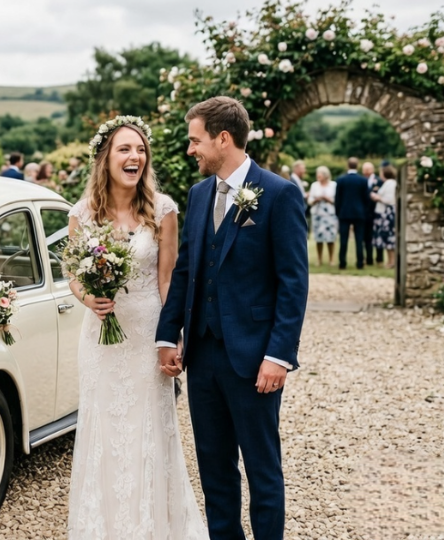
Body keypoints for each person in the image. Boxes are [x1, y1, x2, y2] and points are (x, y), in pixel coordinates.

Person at [156, 96, 308, 540]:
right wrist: (168, 337)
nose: (191, 150)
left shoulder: (280, 194)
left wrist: (278, 357)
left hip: (254, 359)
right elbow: (185, 271)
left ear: (223, 139)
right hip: (202, 358)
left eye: (195, 140)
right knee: (215, 470)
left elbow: (293, 284)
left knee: (263, 470)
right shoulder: (199, 194)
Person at [66, 116, 208, 539]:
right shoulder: (82, 214)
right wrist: (88, 297)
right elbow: (73, 274)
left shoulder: (162, 210)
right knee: (104, 429)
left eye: (141, 149)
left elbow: (168, 280)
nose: (135, 157)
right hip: (101, 339)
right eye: (125, 149)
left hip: (147, 332)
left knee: (149, 428)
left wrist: (173, 335)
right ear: (105, 158)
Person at [334, 157, 373, 270]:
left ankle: (342, 263)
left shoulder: (341, 179)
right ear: (358, 166)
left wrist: (338, 212)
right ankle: (360, 263)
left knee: (343, 239)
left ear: (348, 165)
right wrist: (365, 212)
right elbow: (367, 199)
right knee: (359, 240)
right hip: (359, 213)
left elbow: (338, 198)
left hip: (344, 213)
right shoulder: (363, 180)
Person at [308, 166, 338, 266]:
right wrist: (316, 199)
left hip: (330, 214)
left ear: (325, 175)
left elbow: (337, 200)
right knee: (318, 238)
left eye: (319, 174)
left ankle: (331, 259)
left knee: (330, 238)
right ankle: (319, 259)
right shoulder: (314, 185)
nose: (318, 176)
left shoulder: (333, 185)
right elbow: (310, 201)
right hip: (317, 214)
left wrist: (327, 198)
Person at [371, 164, 398, 268]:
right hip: (384, 213)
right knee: (386, 239)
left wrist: (377, 197)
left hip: (387, 214)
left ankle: (392, 261)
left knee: (389, 238)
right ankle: (390, 261)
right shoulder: (387, 183)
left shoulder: (390, 184)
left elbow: (390, 200)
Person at [363, 161, 383, 265]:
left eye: (368, 169)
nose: (366, 172)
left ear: (372, 170)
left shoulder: (379, 181)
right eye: (364, 169)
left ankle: (380, 258)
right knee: (367, 237)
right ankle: (369, 258)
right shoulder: (361, 181)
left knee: (379, 235)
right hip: (365, 213)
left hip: (377, 211)